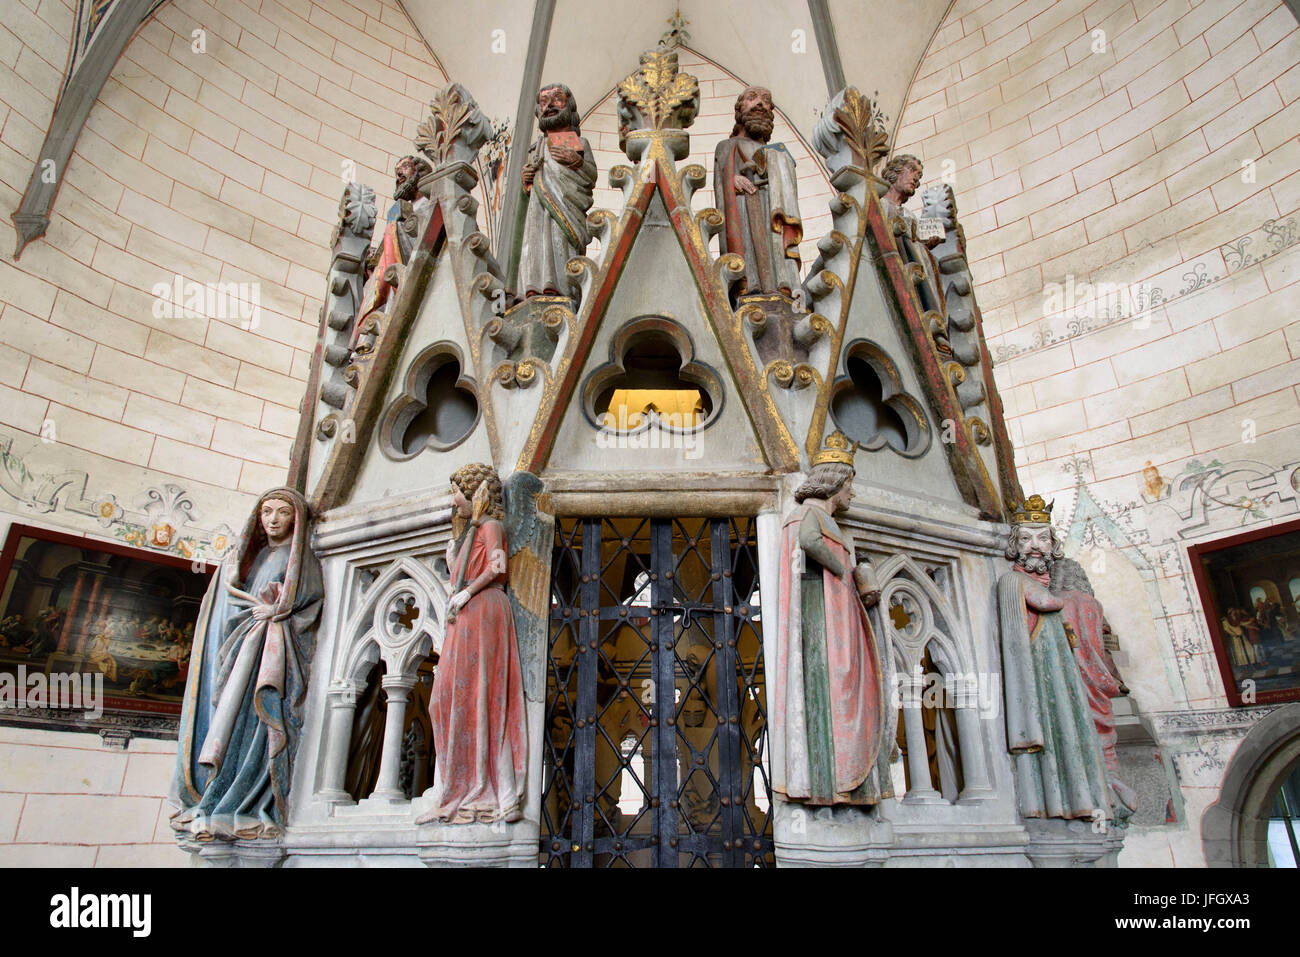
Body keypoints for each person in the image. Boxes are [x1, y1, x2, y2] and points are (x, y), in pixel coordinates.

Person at [171, 488, 323, 841]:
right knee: (230, 716)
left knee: (260, 721)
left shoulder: (301, 560)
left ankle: (249, 802)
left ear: (296, 519)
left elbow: (308, 601)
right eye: (266, 512)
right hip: (243, 650)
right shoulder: (250, 560)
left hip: (271, 652)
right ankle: (216, 799)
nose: (272, 519)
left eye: (282, 512)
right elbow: (234, 604)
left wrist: (278, 611)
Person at [772, 431, 888, 806]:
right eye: (849, 484)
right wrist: (841, 571)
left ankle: (837, 781)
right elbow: (809, 541)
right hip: (824, 621)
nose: (851, 493)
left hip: (835, 617)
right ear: (835, 483)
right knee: (830, 689)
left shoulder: (821, 517)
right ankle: (830, 780)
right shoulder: (810, 515)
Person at [998, 496, 1120, 823]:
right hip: (1038, 673)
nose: (1035, 547)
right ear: (1013, 544)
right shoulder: (1015, 581)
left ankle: (1086, 793)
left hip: (1063, 676)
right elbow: (1048, 602)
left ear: (1053, 544)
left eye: (1043, 538)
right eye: (1025, 538)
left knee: (1071, 726)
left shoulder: (1063, 580)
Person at [417, 464, 527, 824]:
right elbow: (460, 571)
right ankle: (455, 785)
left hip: (483, 611)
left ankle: (483, 789)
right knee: (442, 699)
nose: (453, 500)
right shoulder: (471, 531)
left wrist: (466, 592)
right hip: (464, 615)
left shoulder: (492, 526)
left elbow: (497, 568)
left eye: (457, 492)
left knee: (479, 697)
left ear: (477, 492)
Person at [713, 86, 803, 297]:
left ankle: (784, 285)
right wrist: (732, 180)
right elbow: (721, 182)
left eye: (765, 100)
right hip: (744, 205)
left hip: (774, 206)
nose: (760, 104)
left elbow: (789, 188)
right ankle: (749, 288)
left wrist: (776, 165)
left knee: (775, 250)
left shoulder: (778, 151)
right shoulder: (727, 145)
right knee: (750, 253)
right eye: (752, 98)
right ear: (740, 108)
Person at [519, 83, 597, 299]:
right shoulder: (536, 148)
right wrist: (526, 181)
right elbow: (527, 191)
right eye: (544, 101)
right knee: (535, 239)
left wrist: (576, 161)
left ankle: (562, 286)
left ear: (569, 106)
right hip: (538, 207)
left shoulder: (580, 142)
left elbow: (591, 176)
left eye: (557, 98)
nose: (550, 105)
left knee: (558, 239)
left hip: (568, 208)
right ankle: (533, 285)